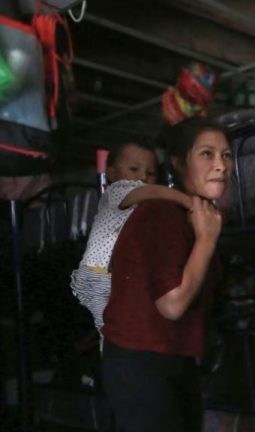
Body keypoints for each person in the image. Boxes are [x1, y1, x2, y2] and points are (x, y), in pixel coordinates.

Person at [100, 117, 233, 432]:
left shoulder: (197, 216)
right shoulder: (160, 212)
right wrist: (207, 240)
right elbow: (172, 304)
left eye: (227, 155)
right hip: (142, 362)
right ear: (177, 162)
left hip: (172, 358)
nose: (221, 165)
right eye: (206, 154)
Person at [70, 142, 191, 337]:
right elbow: (153, 191)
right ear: (111, 174)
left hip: (110, 276)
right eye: (134, 169)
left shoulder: (146, 209)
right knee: (114, 327)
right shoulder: (116, 193)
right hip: (97, 276)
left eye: (150, 173)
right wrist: (190, 202)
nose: (143, 177)